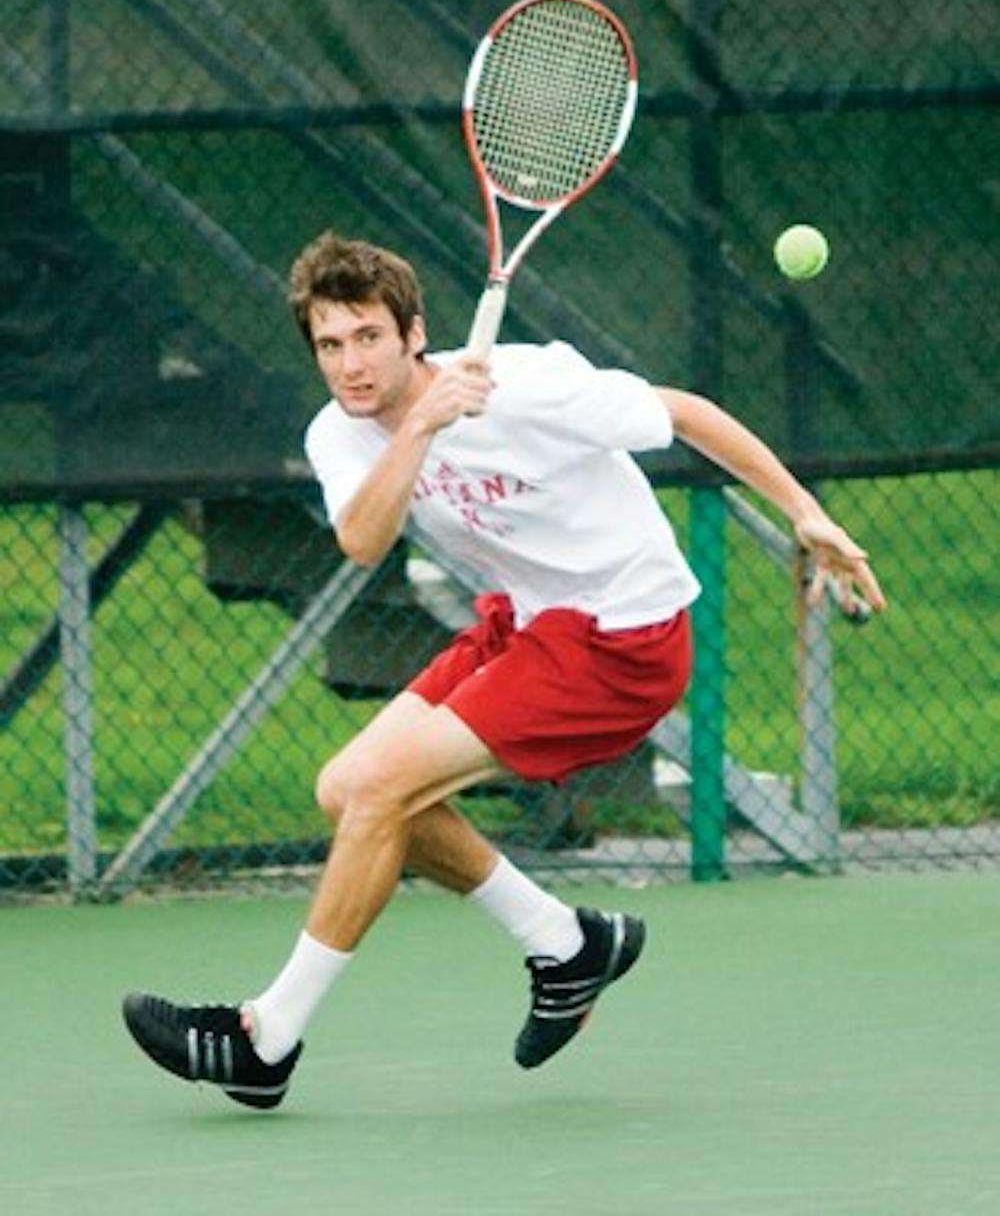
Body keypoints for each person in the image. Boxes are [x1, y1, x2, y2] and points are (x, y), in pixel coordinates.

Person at [123, 231, 886, 1109]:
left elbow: (684, 413)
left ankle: (267, 1039)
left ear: (414, 333)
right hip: (524, 623)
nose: (351, 364)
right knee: (348, 790)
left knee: (379, 791)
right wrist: (419, 426)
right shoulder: (340, 434)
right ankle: (564, 944)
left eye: (368, 337)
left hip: (619, 637)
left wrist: (805, 514)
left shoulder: (528, 387)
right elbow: (363, 541)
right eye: (330, 345)